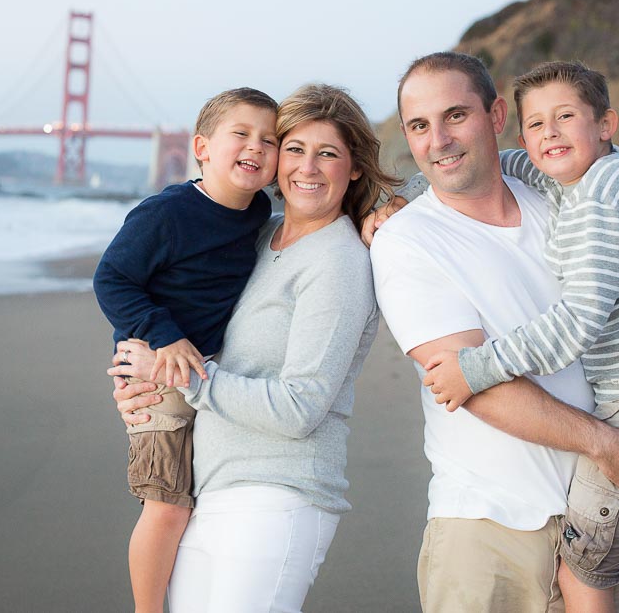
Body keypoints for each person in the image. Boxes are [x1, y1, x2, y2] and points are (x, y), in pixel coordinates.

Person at [366, 52, 619, 612]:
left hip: (601, 498)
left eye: (455, 116)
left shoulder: (564, 192)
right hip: (490, 527)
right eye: (418, 125)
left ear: (496, 115)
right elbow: (470, 384)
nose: (438, 139)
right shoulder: (406, 240)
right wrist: (610, 444)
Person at [110, 84, 401, 612]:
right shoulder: (253, 238)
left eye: (328, 153)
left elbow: (299, 409)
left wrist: (177, 374)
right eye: (294, 149)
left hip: (278, 495)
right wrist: (137, 378)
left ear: (355, 167)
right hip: (209, 487)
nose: (307, 167)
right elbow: (174, 299)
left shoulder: (338, 261)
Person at [93, 87, 279, 613]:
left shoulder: (258, 210)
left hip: (208, 374)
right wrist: (163, 333)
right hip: (156, 376)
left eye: (269, 139)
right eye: (240, 134)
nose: (256, 147)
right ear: (201, 146)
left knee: (208, 502)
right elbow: (112, 280)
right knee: (167, 506)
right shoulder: (167, 213)